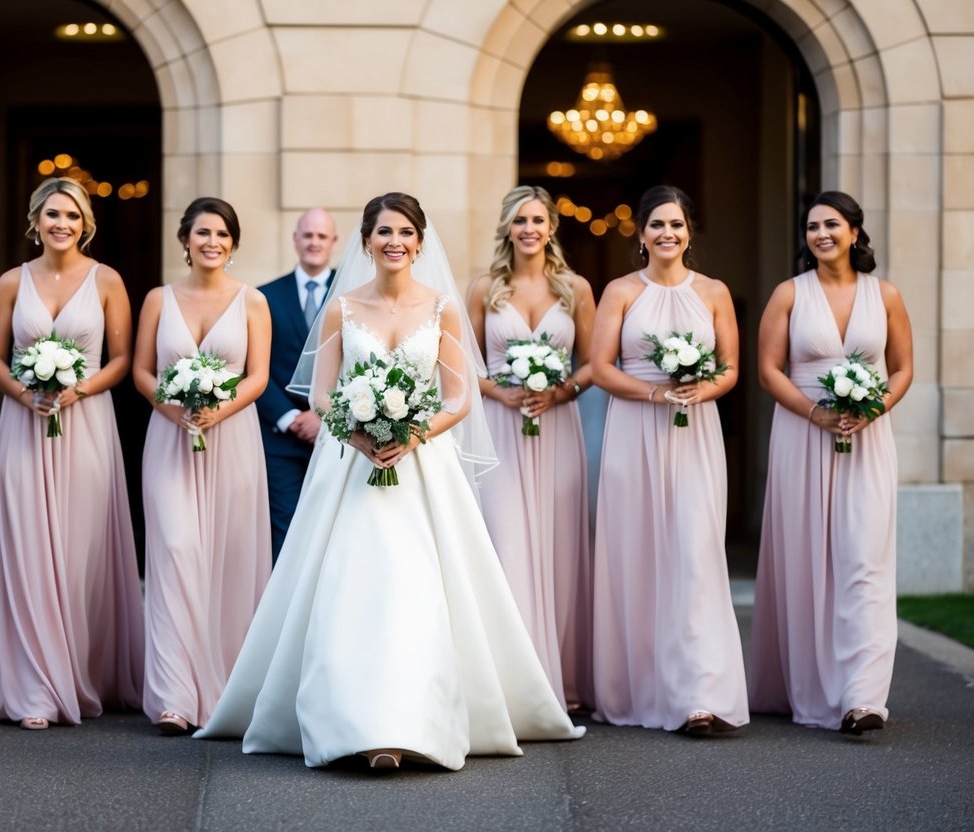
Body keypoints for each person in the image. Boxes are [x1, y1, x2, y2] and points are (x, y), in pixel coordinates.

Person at [196, 192, 584, 770]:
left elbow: (458, 397)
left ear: (420, 242)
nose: (394, 241)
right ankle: (357, 722)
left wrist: (413, 433)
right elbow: (323, 394)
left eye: (405, 232)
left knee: (417, 589)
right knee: (352, 588)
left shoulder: (443, 308)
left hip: (422, 466)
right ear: (367, 242)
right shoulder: (342, 309)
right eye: (383, 232)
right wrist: (357, 434)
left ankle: (409, 724)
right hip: (352, 464)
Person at [748, 191, 913, 735]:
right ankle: (812, 687)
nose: (821, 234)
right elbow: (769, 370)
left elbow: (903, 368)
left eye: (832, 224)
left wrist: (873, 410)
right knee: (810, 559)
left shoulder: (884, 295)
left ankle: (863, 697)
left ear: (855, 233)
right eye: (813, 226)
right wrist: (814, 413)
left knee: (864, 559)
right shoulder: (788, 295)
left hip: (867, 439)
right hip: (802, 436)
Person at [0, 177, 144, 729]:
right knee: (28, 550)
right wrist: (28, 395)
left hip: (87, 425)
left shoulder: (107, 281)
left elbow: (121, 359)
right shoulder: (11, 282)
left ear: (86, 224)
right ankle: (35, 689)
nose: (62, 224)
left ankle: (83, 671)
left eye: (73, 216)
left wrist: (77, 390)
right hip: (24, 428)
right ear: (36, 221)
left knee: (80, 555)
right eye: (53, 214)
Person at [590, 185, 748, 734]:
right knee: (638, 555)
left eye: (677, 225)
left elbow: (729, 368)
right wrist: (654, 393)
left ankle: (700, 694)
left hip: (695, 432)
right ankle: (642, 689)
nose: (667, 234)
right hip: (634, 429)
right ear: (640, 234)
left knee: (695, 552)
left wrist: (704, 391)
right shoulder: (620, 292)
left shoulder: (715, 292)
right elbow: (602, 367)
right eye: (657, 224)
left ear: (688, 232)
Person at [133, 197, 272, 734]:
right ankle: (173, 695)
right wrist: (175, 409)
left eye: (222, 234)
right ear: (185, 240)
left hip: (233, 439)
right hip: (169, 439)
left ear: (233, 244)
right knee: (175, 551)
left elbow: (257, 377)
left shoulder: (252, 302)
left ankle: (226, 690)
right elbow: (144, 371)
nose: (212, 242)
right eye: (202, 233)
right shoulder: (157, 300)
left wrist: (217, 410)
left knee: (229, 559)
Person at [467, 185, 596, 713]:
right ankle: (512, 683)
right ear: (507, 228)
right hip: (499, 427)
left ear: (551, 228)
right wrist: (504, 391)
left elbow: (592, 362)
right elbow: (464, 367)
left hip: (558, 428)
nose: (529, 229)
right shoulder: (483, 289)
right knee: (507, 545)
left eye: (538, 220)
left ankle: (559, 681)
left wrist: (560, 390)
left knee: (558, 549)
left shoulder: (576, 290)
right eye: (520, 220)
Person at [257, 209, 337, 561]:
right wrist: (289, 417)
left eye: (322, 236)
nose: (314, 242)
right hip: (281, 438)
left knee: (334, 530)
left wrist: (326, 415)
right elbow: (254, 367)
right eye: (308, 235)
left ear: (333, 242)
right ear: (295, 239)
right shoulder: (265, 297)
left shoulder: (356, 297)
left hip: (340, 435)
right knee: (285, 529)